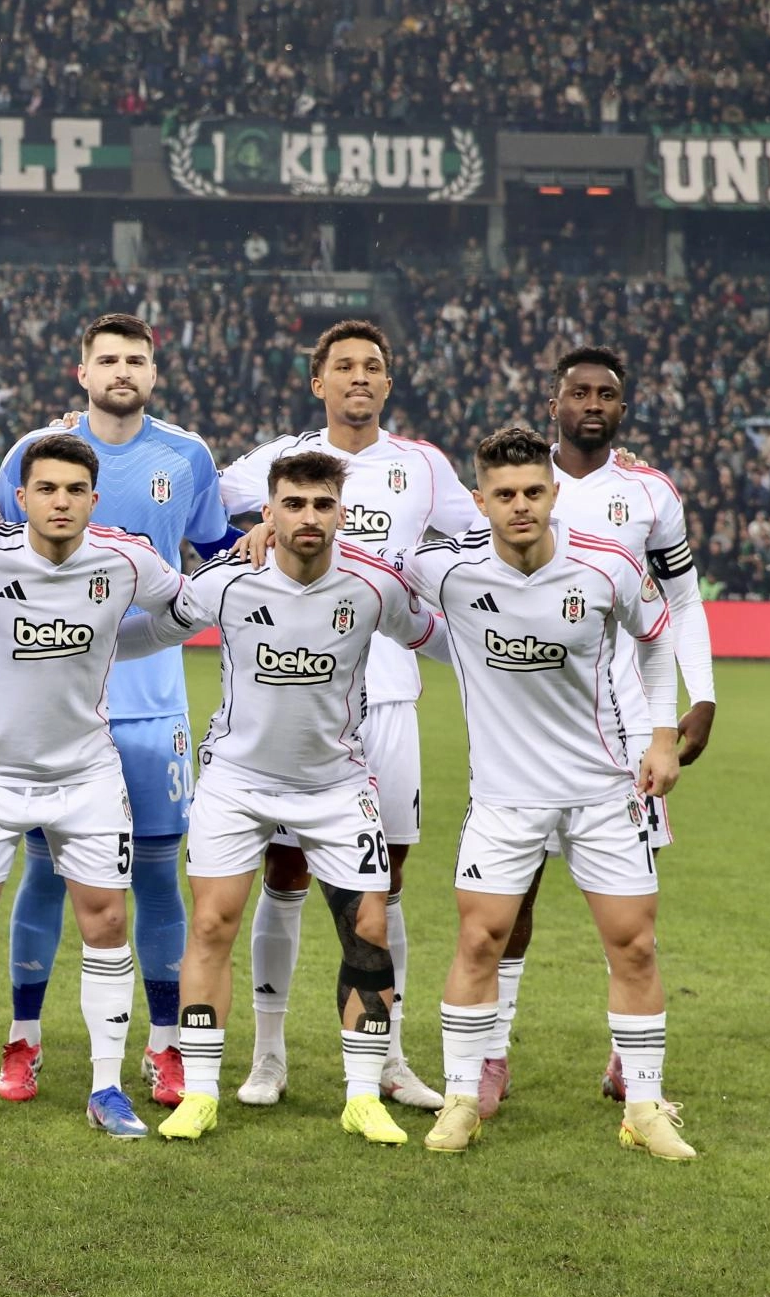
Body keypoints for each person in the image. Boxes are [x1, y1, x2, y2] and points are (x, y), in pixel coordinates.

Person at [123, 452, 446, 1146]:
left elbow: (440, 639)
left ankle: (363, 1097)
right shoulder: (227, 581)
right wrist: (80, 651)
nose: (309, 517)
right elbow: (155, 628)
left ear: (342, 514)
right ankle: (201, 1093)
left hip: (337, 785)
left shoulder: (373, 587)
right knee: (212, 925)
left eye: (322, 504)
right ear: (267, 513)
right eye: (294, 504)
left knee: (368, 928)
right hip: (236, 783)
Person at [399, 427, 693, 1161]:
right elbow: (353, 557)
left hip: (603, 791)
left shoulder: (606, 565)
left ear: (554, 493)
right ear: (480, 502)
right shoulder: (448, 571)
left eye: (533, 491)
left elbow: (658, 637)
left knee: (634, 944)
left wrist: (662, 737)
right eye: (504, 494)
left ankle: (645, 1107)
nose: (521, 505)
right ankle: (461, 1099)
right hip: (505, 798)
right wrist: (261, 538)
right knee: (479, 940)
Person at [218, 319, 477, 1111]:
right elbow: (199, 505)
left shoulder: (422, 466)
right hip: (297, 695)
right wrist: (250, 529)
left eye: (372, 366)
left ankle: (389, 1056)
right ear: (317, 381)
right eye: (344, 366)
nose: (358, 377)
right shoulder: (275, 460)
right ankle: (268, 1056)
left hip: (389, 692)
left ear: (388, 383)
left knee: (386, 881)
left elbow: (482, 538)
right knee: (285, 872)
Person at [0, 433, 194, 1141]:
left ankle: (107, 1088)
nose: (60, 502)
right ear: (22, 498)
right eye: (46, 489)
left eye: (73, 490)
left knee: (107, 923)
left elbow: (185, 608)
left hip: (86, 773)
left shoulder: (126, 559)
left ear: (93, 499)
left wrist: (122, 642)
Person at [0, 314, 236, 1110]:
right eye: (108, 359)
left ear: (152, 374)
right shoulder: (36, 452)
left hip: (153, 704)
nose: (122, 371)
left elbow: (217, 553)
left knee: (159, 874)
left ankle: (165, 1046)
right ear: (83, 372)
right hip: (56, 705)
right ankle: (23, 1039)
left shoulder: (187, 456)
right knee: (45, 872)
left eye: (135, 360)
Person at [480, 346, 717, 1113]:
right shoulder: (516, 482)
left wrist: (703, 696)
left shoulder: (649, 491)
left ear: (622, 408)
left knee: (630, 905)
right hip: (524, 720)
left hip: (623, 727)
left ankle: (627, 1059)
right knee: (511, 902)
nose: (591, 404)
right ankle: (490, 1055)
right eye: (577, 392)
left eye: (605, 394)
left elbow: (681, 602)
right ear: (552, 404)